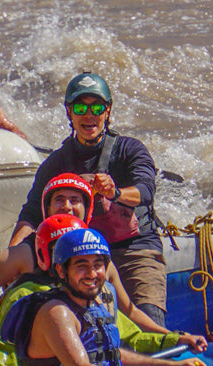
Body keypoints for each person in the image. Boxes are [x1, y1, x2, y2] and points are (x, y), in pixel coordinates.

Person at [0, 227, 206, 366]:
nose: (92, 273)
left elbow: (113, 356)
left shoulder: (93, 304)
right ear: (60, 270)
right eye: (81, 265)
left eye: (97, 265)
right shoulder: (56, 313)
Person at [0, 172, 204, 352]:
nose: (67, 206)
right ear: (47, 209)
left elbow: (129, 310)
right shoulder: (26, 252)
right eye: (59, 200)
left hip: (83, 348)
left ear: (86, 210)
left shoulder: (97, 259)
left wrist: (172, 336)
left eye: (75, 200)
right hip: (38, 350)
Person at [13, 73, 166, 324]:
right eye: (80, 107)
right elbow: (30, 215)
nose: (89, 115)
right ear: (69, 113)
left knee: (149, 318)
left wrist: (114, 193)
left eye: (96, 107)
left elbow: (146, 192)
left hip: (134, 251)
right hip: (81, 254)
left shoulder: (129, 150)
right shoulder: (55, 163)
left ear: (107, 111)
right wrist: (14, 256)